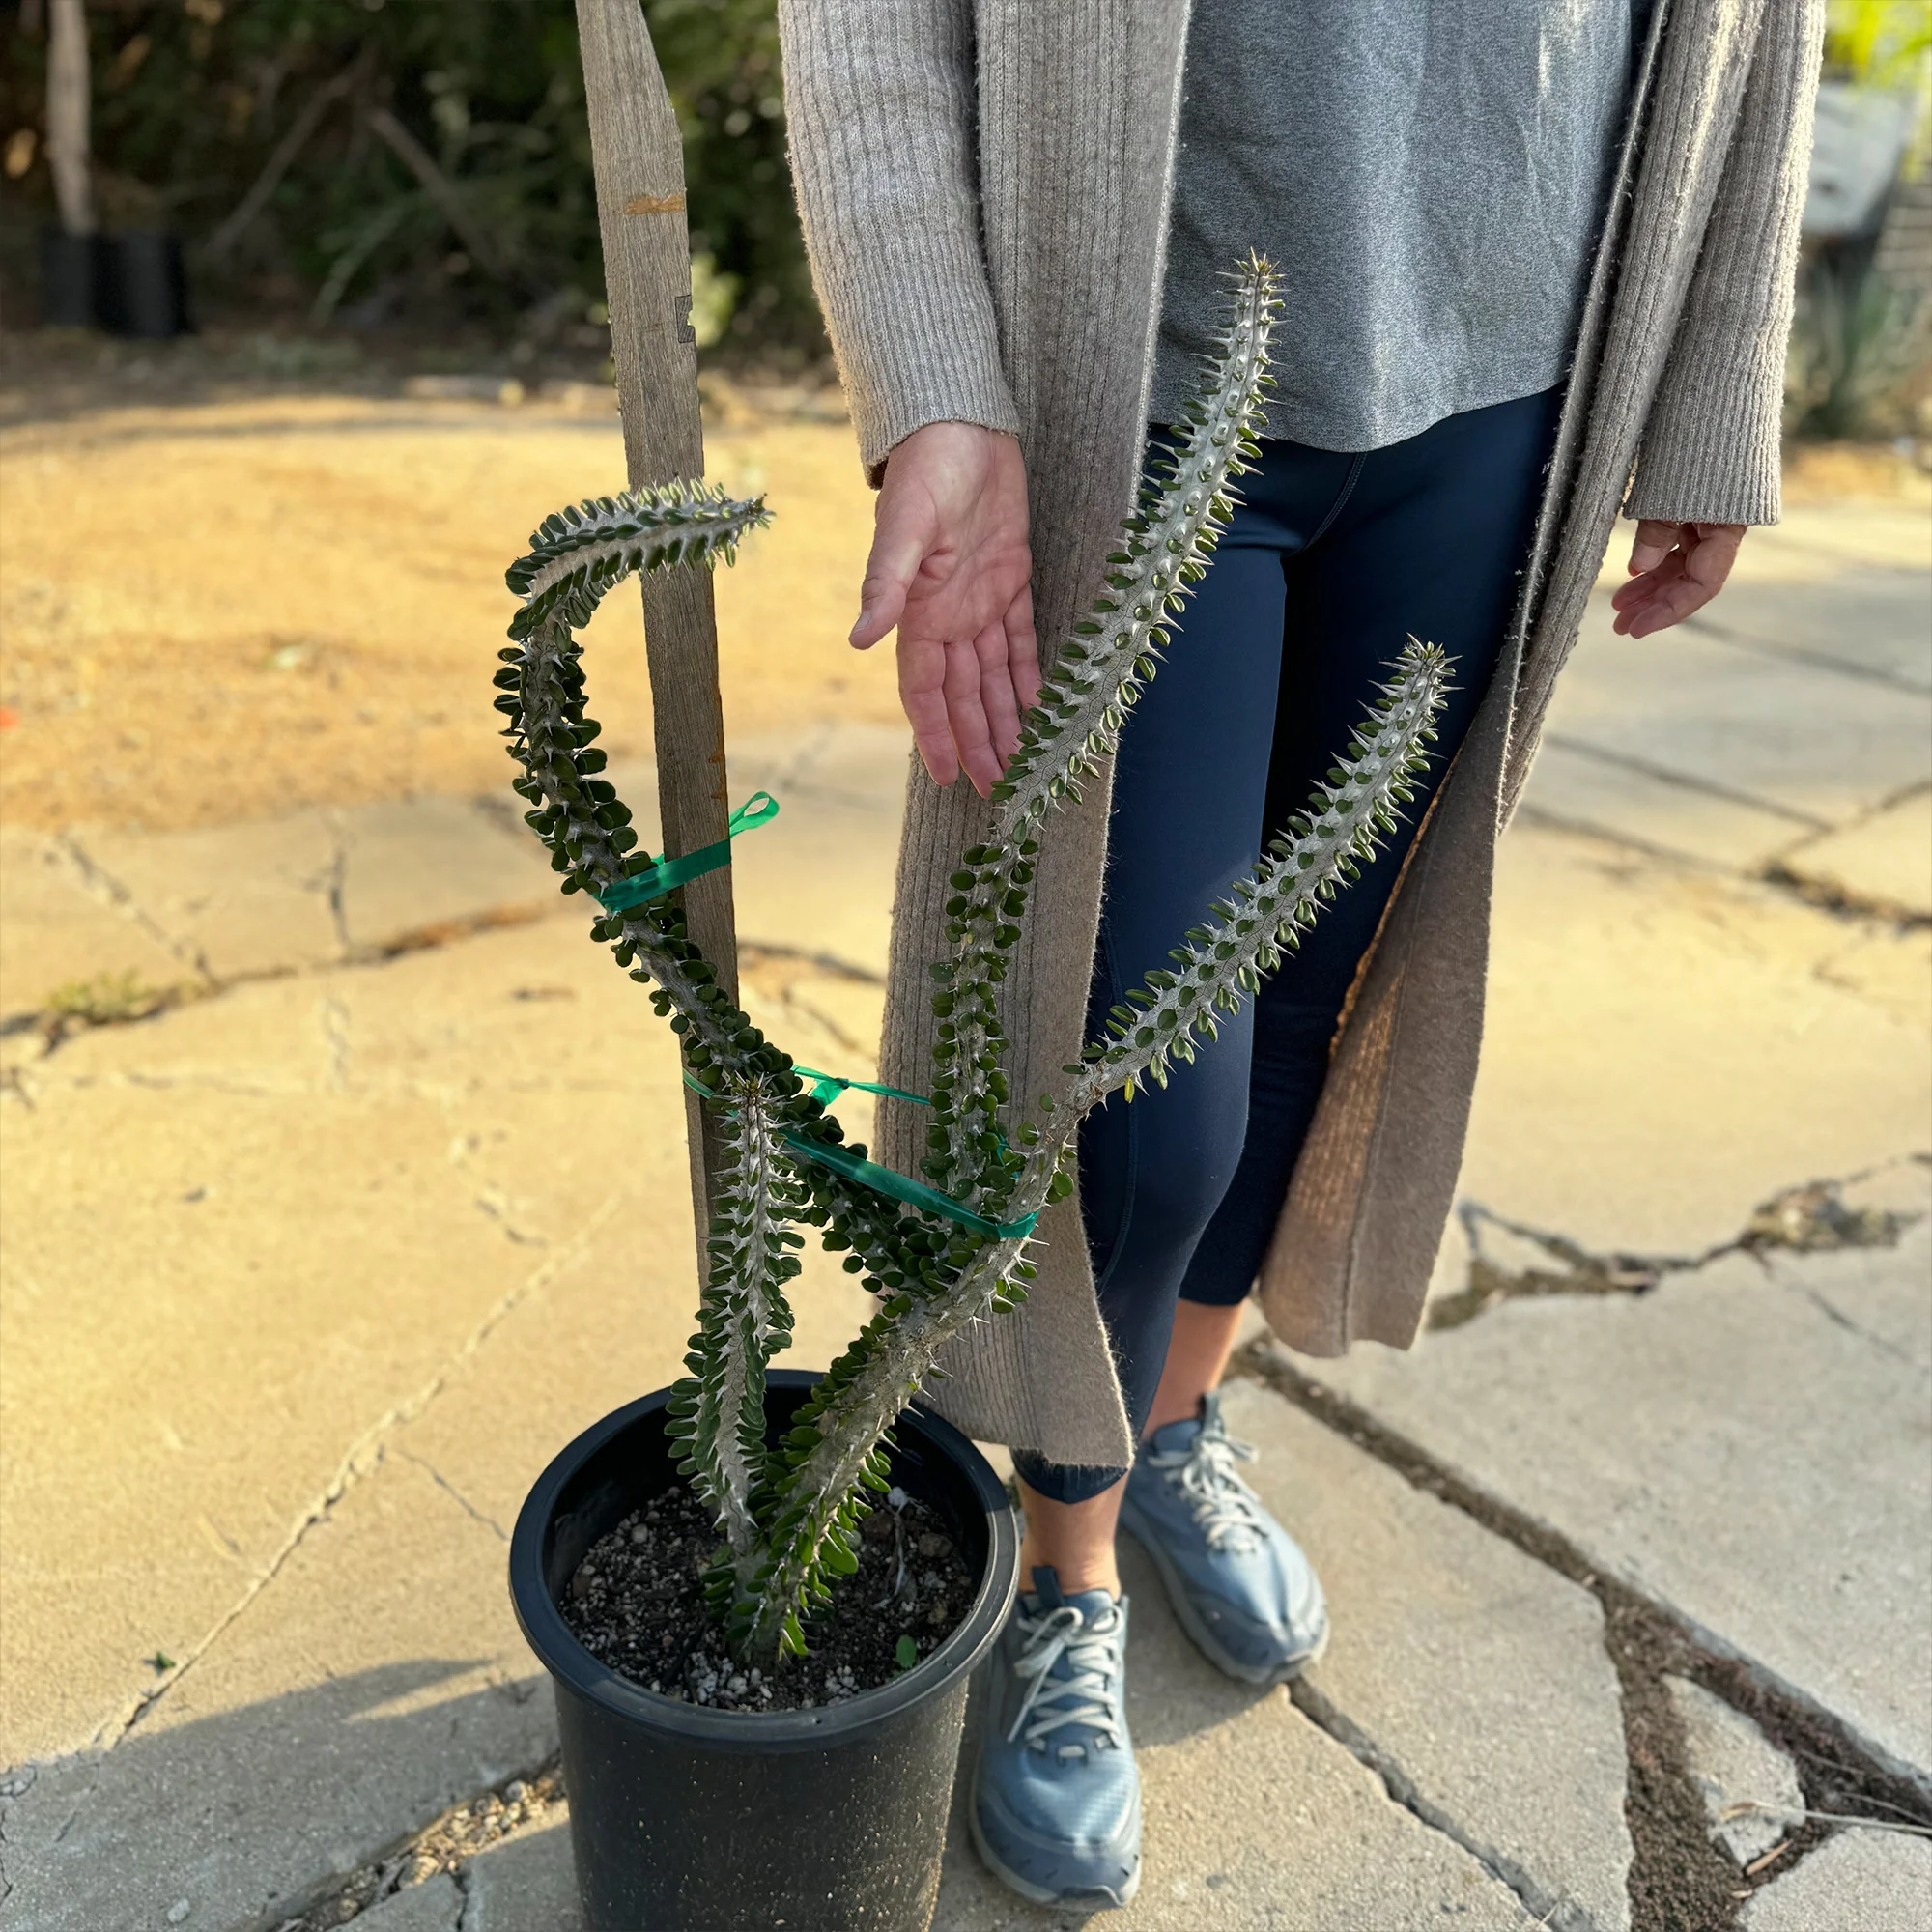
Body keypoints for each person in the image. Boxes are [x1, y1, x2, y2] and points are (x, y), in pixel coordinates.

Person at [777, 0, 1822, 1908]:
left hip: (1506, 379)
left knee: (1315, 1009)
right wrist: (937, 375)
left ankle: (1170, 1419)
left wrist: (1709, 384)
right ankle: (1064, 1563)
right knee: (1134, 1076)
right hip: (1144, 371)